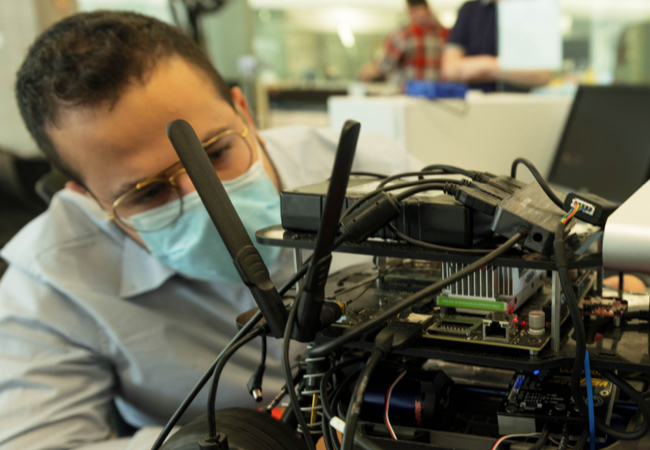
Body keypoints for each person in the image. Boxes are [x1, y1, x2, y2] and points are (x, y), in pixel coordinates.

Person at [2, 11, 417, 449]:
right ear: (88, 198)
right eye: (147, 194)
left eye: (215, 153)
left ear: (245, 111)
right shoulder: (50, 281)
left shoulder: (376, 177)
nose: (202, 196)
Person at [441, 0, 552, 92]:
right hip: (476, 108)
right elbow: (451, 69)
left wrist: (486, 67)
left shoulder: (530, 10)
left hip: (522, 107)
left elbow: (543, 75)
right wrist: (505, 69)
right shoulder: (469, 10)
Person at [359, 0, 449, 85]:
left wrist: (367, 71)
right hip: (440, 97)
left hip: (409, 97)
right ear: (427, 6)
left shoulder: (404, 32)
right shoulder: (446, 33)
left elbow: (383, 67)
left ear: (408, 6)